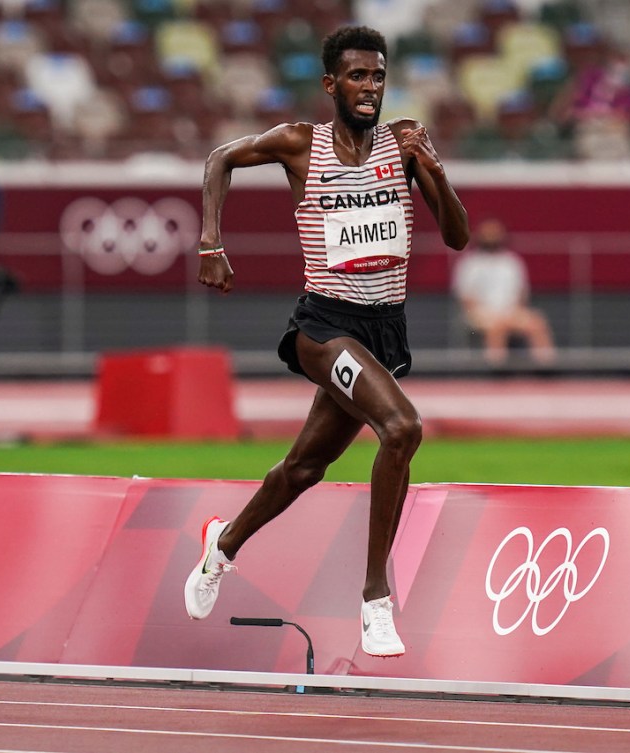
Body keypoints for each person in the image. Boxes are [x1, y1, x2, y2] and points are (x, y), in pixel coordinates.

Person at [183, 25, 469, 658]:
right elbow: (218, 160)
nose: (371, 88)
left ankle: (221, 545)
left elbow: (457, 237)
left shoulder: (403, 145)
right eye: (358, 76)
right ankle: (376, 599)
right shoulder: (297, 144)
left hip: (382, 331)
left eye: (379, 77)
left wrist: (433, 170)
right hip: (322, 326)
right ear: (330, 84)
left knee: (304, 468)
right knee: (401, 428)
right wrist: (211, 242)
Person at [452, 217, 555, 367]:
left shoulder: (512, 262)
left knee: (537, 323)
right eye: (488, 234)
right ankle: (497, 371)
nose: (491, 237)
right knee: (497, 327)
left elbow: (522, 293)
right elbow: (466, 297)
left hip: (512, 312)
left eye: (495, 233)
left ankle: (546, 370)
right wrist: (493, 315)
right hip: (481, 314)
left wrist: (512, 313)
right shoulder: (470, 263)